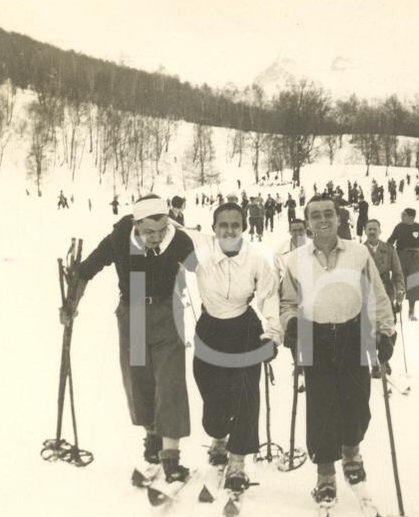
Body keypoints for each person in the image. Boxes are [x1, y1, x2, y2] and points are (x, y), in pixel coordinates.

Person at [60, 195, 195, 484]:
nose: (156, 238)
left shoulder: (180, 242)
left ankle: (171, 455)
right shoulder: (118, 239)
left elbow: (206, 272)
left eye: (161, 231)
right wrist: (71, 305)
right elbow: (86, 271)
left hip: (167, 313)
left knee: (170, 380)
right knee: (139, 379)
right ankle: (152, 439)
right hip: (131, 313)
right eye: (149, 232)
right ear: (136, 224)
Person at [279, 196, 397, 506]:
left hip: (352, 333)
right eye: (315, 215)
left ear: (338, 217)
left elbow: (377, 295)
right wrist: (291, 323)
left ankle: (351, 453)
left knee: (357, 402)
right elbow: (288, 302)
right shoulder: (295, 260)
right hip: (314, 336)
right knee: (321, 406)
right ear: (307, 222)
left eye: (328, 213)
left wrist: (385, 332)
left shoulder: (358, 253)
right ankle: (325, 474)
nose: (323, 219)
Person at [188, 203, 282, 489]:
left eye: (235, 225)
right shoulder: (200, 253)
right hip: (210, 329)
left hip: (243, 330)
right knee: (212, 396)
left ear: (244, 227)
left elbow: (269, 296)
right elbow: (169, 232)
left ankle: (238, 463)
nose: (229, 230)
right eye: (223, 225)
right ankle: (218, 436)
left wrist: (273, 333)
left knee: (245, 394)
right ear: (214, 228)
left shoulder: (256, 259)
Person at [363, 219, 406, 378]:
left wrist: (400, 291)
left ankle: (385, 359)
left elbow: (397, 272)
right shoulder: (360, 250)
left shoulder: (388, 249)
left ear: (380, 231)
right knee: (369, 330)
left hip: (386, 293)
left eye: (375, 229)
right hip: (366, 294)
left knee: (390, 330)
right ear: (365, 231)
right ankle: (374, 363)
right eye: (369, 229)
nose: (372, 232)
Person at [387, 208, 419, 321]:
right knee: (399, 280)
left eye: (404, 215)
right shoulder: (399, 227)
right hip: (400, 256)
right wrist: (388, 247)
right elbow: (390, 240)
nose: (401, 217)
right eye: (402, 214)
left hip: (415, 257)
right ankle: (398, 304)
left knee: (414, 282)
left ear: (411, 217)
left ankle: (411, 311)